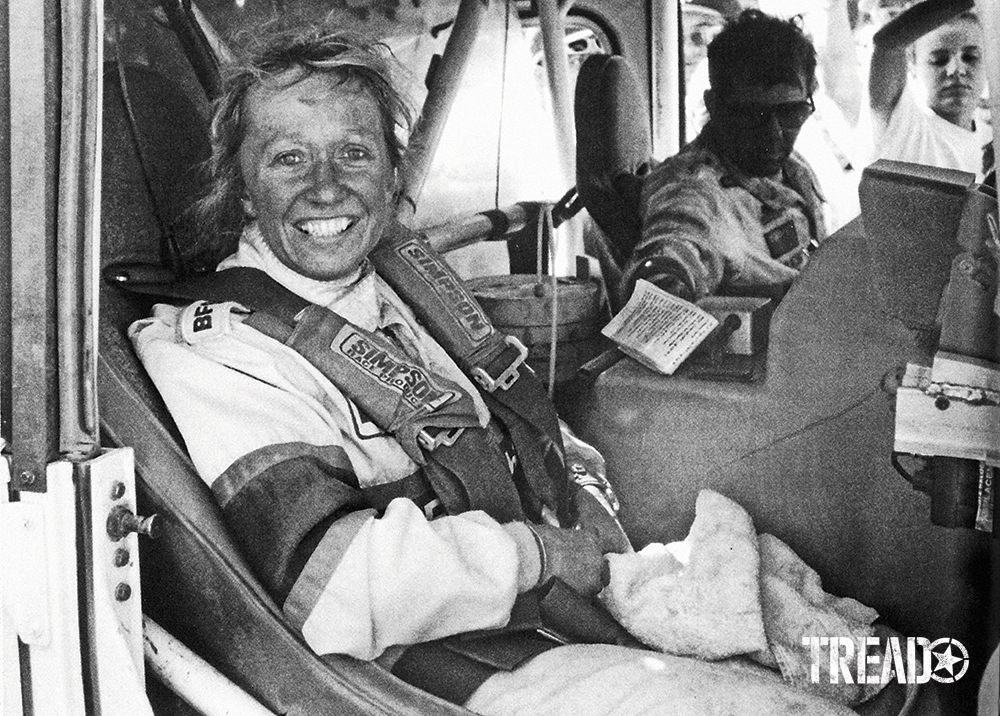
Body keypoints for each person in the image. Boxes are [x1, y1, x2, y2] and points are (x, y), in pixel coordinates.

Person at [129, 27, 863, 716]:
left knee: (847, 664)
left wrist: (589, 498)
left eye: (352, 153)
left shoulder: (401, 283)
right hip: (438, 663)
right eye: (288, 158)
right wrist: (539, 554)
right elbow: (335, 584)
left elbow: (528, 423)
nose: (327, 188)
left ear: (391, 171)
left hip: (553, 602)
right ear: (242, 188)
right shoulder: (218, 352)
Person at [621, 10, 827, 305]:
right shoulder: (695, 191)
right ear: (715, 106)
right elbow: (664, 270)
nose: (774, 133)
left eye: (791, 112)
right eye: (752, 115)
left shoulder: (794, 170)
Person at [866, 0, 990, 176]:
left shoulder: (991, 139)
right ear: (913, 66)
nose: (956, 70)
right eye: (939, 60)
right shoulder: (904, 127)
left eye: (970, 57)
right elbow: (888, 43)